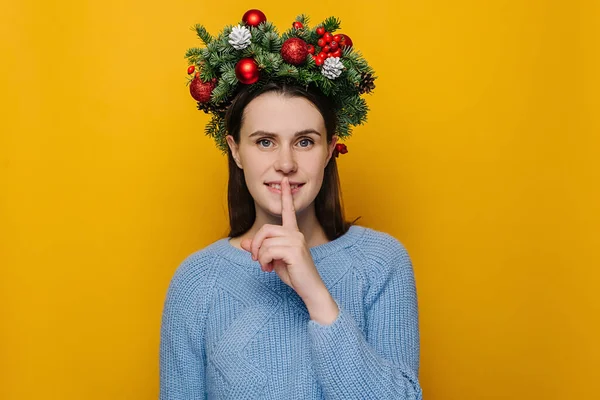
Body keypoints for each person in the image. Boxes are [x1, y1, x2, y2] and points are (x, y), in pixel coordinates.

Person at [160, 10, 422, 399]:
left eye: (305, 141)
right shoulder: (197, 282)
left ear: (331, 150)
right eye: (265, 141)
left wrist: (316, 293)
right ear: (235, 151)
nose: (285, 163)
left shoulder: (382, 263)